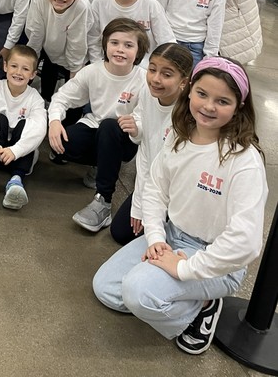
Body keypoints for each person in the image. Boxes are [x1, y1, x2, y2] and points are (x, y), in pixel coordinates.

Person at [93, 57, 268, 356]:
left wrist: (186, 268)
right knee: (106, 289)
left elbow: (245, 242)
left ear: (239, 105)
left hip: (216, 258)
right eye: (202, 94)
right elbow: (155, 191)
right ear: (189, 91)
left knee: (138, 293)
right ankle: (188, 298)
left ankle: (204, 305)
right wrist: (157, 240)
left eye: (222, 101)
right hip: (173, 237)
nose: (209, 106)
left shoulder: (244, 159)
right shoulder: (179, 137)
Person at [74, 43, 192, 239]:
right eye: (152, 69)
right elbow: (146, 154)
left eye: (167, 74)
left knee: (164, 237)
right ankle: (103, 201)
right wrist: (139, 204)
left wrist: (157, 210)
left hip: (178, 191)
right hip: (154, 182)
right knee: (121, 233)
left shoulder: (189, 113)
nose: (156, 79)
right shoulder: (148, 93)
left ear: (183, 81)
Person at [48, 18, 148, 179]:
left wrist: (137, 129)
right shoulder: (93, 71)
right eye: (114, 43)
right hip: (95, 126)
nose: (120, 50)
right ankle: (104, 162)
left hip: (123, 136)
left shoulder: (143, 79)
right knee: (60, 143)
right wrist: (54, 121)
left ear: (139, 50)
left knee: (109, 126)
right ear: (105, 45)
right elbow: (62, 97)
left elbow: (144, 120)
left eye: (128, 45)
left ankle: (104, 174)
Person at [0, 45, 47, 210]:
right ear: (5, 66)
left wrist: (16, 150)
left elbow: (39, 128)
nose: (18, 72)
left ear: (33, 74)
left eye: (25, 69)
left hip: (18, 154)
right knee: (0, 118)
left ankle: (16, 181)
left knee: (26, 125)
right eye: (14, 66)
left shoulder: (35, 98)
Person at [26, 0, 92, 103]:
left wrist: (74, 75)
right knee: (46, 79)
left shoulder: (82, 7)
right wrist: (30, 64)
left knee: (74, 95)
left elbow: (77, 44)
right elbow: (35, 35)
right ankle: (44, 101)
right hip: (48, 45)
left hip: (73, 53)